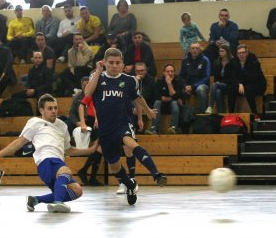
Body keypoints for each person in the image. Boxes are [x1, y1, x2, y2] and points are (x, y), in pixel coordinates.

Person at [0, 94, 97, 213]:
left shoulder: (62, 125)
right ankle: (58, 203)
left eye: (55, 108)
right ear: (41, 110)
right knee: (66, 171)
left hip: (57, 163)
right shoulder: (35, 122)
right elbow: (19, 142)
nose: (54, 111)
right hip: (46, 161)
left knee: (77, 190)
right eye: (50, 108)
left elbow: (68, 150)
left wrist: (89, 150)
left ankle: (35, 200)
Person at [84, 48, 167, 205]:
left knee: (131, 144)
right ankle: (130, 185)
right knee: (114, 166)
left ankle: (156, 174)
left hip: (123, 122)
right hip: (105, 128)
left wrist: (148, 111)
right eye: (111, 63)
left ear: (122, 64)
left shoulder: (129, 80)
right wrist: (97, 71)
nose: (114, 66)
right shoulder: (97, 77)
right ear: (104, 62)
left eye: (117, 63)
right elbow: (88, 93)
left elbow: (138, 98)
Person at [230, 44, 267, 120]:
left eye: (243, 52)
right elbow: (233, 77)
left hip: (258, 85)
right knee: (231, 89)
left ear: (247, 53)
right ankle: (231, 113)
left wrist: (241, 83)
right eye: (239, 53)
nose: (241, 55)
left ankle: (255, 113)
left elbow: (253, 78)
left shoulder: (254, 61)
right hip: (244, 84)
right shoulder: (234, 62)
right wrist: (239, 84)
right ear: (237, 54)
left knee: (248, 89)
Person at [151, 64, 185, 134]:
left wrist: (169, 84)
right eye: (168, 71)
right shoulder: (159, 81)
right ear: (164, 73)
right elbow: (157, 96)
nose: (170, 73)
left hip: (174, 107)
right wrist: (172, 98)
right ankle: (154, 128)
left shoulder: (179, 81)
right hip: (162, 106)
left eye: (172, 71)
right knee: (157, 102)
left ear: (174, 72)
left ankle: (173, 128)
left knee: (174, 103)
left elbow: (177, 96)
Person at [179, 42, 211, 114]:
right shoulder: (184, 60)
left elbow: (206, 77)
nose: (195, 50)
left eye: (197, 48)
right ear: (190, 50)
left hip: (201, 84)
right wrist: (185, 86)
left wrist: (193, 86)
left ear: (200, 50)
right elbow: (181, 76)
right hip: (187, 85)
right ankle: (183, 117)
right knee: (178, 89)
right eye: (193, 48)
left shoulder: (205, 60)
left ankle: (201, 114)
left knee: (200, 90)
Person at [206, 44, 235, 114]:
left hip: (230, 84)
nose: (220, 53)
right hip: (219, 85)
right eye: (219, 51)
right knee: (218, 91)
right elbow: (216, 76)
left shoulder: (232, 62)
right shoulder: (217, 62)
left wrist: (219, 82)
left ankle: (210, 106)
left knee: (214, 85)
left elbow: (232, 78)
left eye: (222, 51)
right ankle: (220, 113)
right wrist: (219, 83)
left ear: (227, 52)